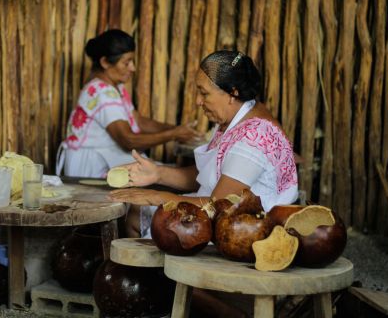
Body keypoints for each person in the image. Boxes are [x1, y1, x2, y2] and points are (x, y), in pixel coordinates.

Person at [109, 50, 298, 238]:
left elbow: (218, 206)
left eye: (204, 93)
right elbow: (211, 175)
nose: (198, 101)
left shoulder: (253, 137)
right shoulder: (235, 118)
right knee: (134, 214)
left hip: (242, 227)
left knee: (158, 224)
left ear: (232, 93)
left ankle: (158, 269)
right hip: (219, 208)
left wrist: (159, 197)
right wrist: (158, 174)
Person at [56, 29, 202, 178]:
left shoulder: (116, 87)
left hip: (103, 158)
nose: (132, 68)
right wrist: (173, 134)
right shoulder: (102, 92)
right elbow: (128, 139)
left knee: (167, 175)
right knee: (170, 178)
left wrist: (178, 130)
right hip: (90, 167)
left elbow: (138, 121)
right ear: (105, 62)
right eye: (126, 62)